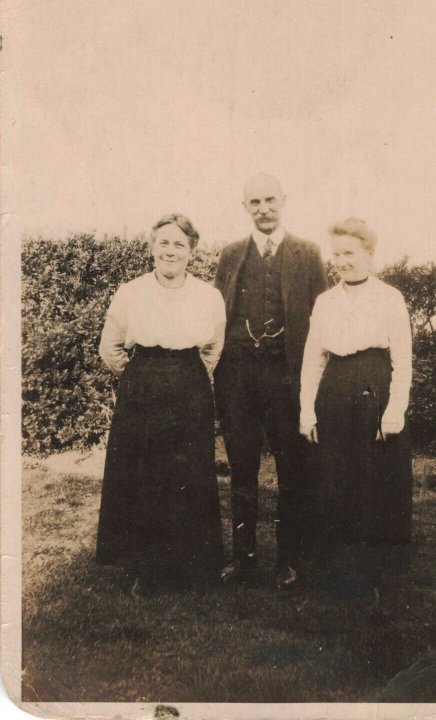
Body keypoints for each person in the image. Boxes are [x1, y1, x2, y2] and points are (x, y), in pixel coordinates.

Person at [96, 214, 226, 595]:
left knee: (188, 472)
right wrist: (140, 376)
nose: (170, 251)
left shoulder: (208, 295)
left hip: (190, 384)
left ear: (191, 252)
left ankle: (191, 566)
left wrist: (188, 376)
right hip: (144, 385)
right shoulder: (130, 291)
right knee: (145, 473)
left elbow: (214, 347)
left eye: (179, 245)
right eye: (163, 243)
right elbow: (111, 347)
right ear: (152, 248)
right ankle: (146, 568)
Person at [214, 173, 328, 591]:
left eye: (270, 200)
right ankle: (242, 559)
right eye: (254, 201)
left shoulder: (308, 253)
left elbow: (324, 316)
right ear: (245, 206)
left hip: (288, 380)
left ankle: (289, 560)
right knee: (241, 470)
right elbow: (215, 315)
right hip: (239, 378)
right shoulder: (229, 256)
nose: (263, 208)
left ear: (284, 201)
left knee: (292, 471)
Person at [299, 217, 413, 601]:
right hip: (334, 391)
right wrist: (307, 411)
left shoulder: (389, 298)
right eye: (337, 254)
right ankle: (337, 573)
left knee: (373, 482)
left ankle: (373, 574)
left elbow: (402, 361)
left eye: (350, 252)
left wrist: (394, 410)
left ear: (369, 253)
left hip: (374, 389)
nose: (342, 261)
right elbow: (314, 359)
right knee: (334, 480)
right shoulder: (325, 301)